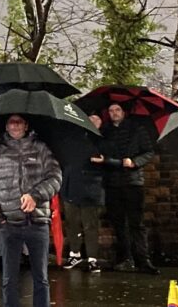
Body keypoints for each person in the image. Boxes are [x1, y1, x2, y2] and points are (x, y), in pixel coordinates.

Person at [0, 114, 62, 307]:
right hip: (9, 224)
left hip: (38, 223)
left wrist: (35, 195)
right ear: (6, 127)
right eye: (11, 121)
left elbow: (56, 178)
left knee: (41, 278)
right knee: (9, 279)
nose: (15, 125)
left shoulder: (41, 149)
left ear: (26, 125)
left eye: (19, 122)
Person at [95, 101, 159, 274]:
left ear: (124, 112)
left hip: (133, 182)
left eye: (117, 109)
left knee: (136, 223)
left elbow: (149, 152)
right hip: (112, 183)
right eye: (111, 110)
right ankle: (125, 258)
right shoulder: (104, 132)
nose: (114, 113)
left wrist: (135, 162)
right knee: (118, 224)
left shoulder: (137, 129)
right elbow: (100, 155)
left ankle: (143, 260)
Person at [61, 113, 105, 272]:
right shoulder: (72, 138)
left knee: (90, 225)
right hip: (71, 185)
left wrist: (104, 160)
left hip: (91, 187)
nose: (92, 122)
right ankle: (75, 254)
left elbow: (108, 160)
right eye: (90, 120)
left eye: (96, 120)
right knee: (72, 223)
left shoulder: (103, 140)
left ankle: (92, 258)